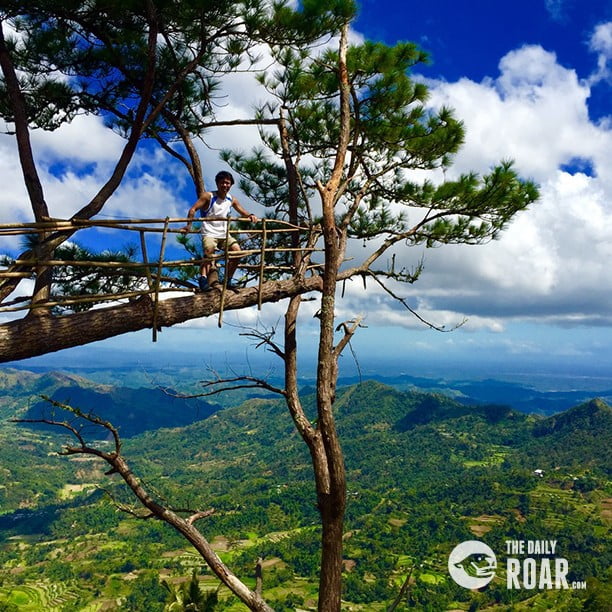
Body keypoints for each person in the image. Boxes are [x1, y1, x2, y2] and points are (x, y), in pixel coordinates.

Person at [180, 171, 258, 291]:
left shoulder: (231, 199)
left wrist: (250, 215)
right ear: (217, 183)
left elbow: (242, 211)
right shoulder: (209, 196)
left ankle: (228, 279)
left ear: (231, 185)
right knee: (208, 252)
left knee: (237, 252)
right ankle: (203, 278)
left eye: (228, 183)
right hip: (209, 232)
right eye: (222, 182)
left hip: (224, 234)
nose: (225, 185)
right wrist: (188, 226)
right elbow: (193, 209)